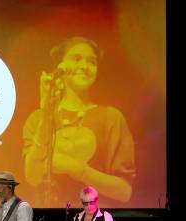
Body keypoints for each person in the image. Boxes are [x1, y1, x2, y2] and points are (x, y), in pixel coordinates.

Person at [23, 36, 136, 208]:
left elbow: (124, 191)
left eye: (92, 62)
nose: (84, 66)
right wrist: (47, 115)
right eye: (76, 59)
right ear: (60, 66)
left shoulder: (111, 117)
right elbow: (32, 176)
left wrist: (77, 169)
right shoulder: (37, 118)